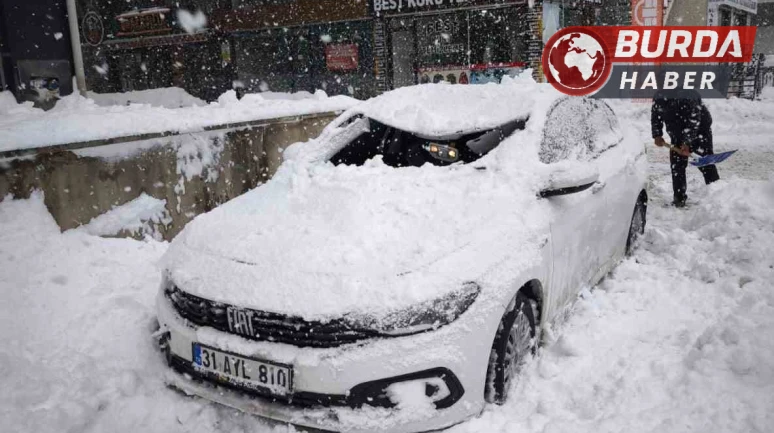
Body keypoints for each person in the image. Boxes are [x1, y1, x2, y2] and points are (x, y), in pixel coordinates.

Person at [651, 89, 720, 207]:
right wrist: (657, 134)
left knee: (705, 163)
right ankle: (679, 198)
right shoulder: (659, 96)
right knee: (677, 166)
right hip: (677, 133)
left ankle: (718, 195)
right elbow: (656, 115)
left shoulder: (689, 94)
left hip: (700, 131)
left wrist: (687, 142)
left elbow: (694, 120)